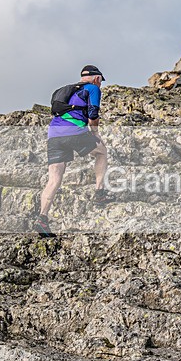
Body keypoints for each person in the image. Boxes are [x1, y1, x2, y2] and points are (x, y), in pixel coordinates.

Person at [34, 65, 113, 237]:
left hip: (53, 134)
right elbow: (93, 113)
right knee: (101, 152)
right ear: (97, 78)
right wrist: (95, 134)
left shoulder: (65, 90)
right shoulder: (93, 88)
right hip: (74, 130)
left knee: (54, 178)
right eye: (101, 82)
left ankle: (42, 218)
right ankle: (99, 192)